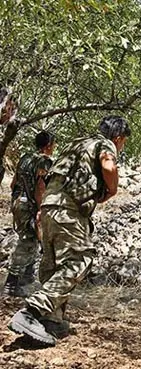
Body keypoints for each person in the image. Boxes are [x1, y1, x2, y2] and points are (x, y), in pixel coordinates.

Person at [8, 115, 131, 346]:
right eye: (123, 141)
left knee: (52, 265)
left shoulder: (77, 143)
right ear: (117, 137)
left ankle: (50, 320)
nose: (121, 146)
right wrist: (112, 190)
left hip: (48, 207)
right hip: (68, 209)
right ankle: (32, 312)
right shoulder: (105, 144)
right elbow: (108, 165)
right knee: (79, 260)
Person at [2, 131, 56, 297]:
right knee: (26, 242)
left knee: (30, 239)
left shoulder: (25, 157)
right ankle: (11, 283)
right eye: (53, 145)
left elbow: (13, 184)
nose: (54, 148)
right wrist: (41, 209)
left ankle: (26, 277)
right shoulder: (44, 161)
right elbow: (40, 187)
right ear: (48, 146)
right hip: (29, 206)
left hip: (18, 203)